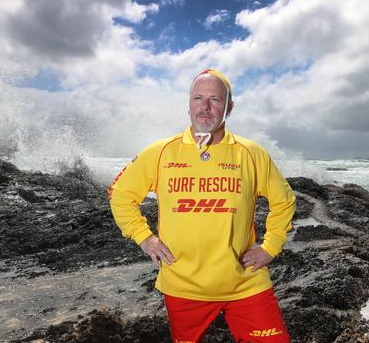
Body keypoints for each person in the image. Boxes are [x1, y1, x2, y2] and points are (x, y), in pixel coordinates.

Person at [108, 68, 296, 342]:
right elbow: (119, 193)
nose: (205, 107)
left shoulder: (251, 154)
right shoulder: (161, 152)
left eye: (215, 100)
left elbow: (284, 200)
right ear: (189, 104)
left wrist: (270, 247)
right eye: (198, 98)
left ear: (229, 107)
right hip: (183, 287)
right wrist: (144, 238)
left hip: (245, 283)